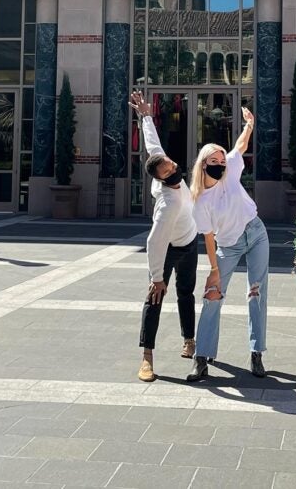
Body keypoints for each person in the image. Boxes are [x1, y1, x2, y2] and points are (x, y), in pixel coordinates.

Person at [186, 106, 270, 381]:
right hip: (227, 245)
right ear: (203, 163)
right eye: (215, 159)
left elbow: (240, 146)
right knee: (212, 295)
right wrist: (213, 269)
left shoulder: (230, 170)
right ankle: (201, 358)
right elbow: (208, 238)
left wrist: (249, 124)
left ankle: (256, 353)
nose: (221, 163)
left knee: (256, 293)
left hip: (256, 233)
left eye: (222, 159)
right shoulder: (199, 200)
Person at [129, 90, 199, 383]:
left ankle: (189, 340)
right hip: (169, 250)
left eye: (170, 163)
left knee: (186, 293)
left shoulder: (168, 171)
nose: (172, 166)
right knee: (154, 298)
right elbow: (154, 242)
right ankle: (146, 358)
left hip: (190, 243)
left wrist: (145, 115)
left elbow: (152, 145)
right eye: (167, 168)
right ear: (160, 178)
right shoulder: (167, 205)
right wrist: (157, 277)